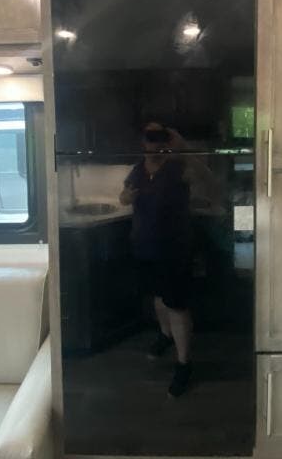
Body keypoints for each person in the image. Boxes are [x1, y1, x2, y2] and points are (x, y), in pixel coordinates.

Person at [120, 122, 194, 397]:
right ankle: (165, 335)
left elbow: (210, 182)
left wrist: (182, 147)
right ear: (143, 141)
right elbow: (123, 197)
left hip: (174, 249)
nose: (154, 143)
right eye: (149, 137)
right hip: (144, 247)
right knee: (157, 297)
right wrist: (126, 197)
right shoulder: (138, 170)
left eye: (160, 136)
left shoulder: (179, 167)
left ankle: (184, 364)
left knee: (176, 304)